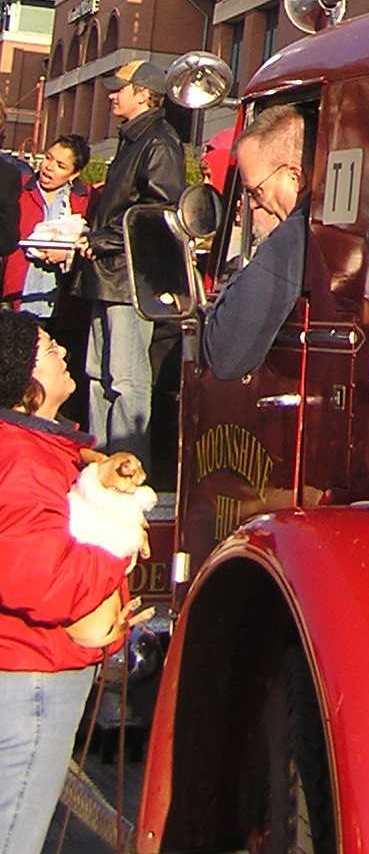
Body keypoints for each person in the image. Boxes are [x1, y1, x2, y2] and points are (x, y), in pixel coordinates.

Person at [0, 310, 134, 854]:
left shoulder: (32, 451)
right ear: (22, 379)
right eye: (47, 347)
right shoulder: (23, 460)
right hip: (33, 677)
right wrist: (117, 551)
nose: (60, 352)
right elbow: (43, 578)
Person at [74, 63, 186, 462]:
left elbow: (159, 214)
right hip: (114, 275)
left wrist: (103, 240)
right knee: (98, 376)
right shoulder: (137, 139)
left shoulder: (158, 142)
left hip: (129, 279)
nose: (110, 94)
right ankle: (103, 465)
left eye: (118, 88)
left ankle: (124, 470)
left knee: (125, 379)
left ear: (144, 93)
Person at [203, 105, 309, 381]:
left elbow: (226, 356)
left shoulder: (297, 236)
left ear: (294, 178)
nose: (251, 204)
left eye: (256, 191)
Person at [3, 137, 91, 320]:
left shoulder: (87, 201)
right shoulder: (18, 188)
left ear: (74, 174)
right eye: (48, 158)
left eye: (60, 165)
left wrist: (68, 256)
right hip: (15, 299)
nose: (49, 167)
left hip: (62, 305)